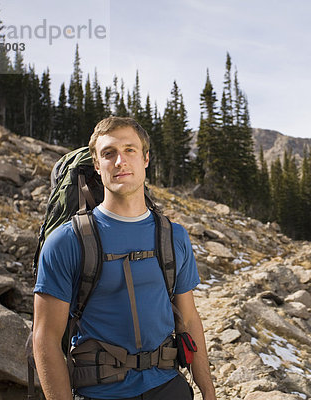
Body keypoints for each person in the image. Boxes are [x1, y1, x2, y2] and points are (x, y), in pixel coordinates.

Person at [33, 116, 216, 400]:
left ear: (145, 159)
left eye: (130, 150)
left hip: (168, 387)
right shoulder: (66, 242)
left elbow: (189, 320)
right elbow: (45, 339)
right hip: (100, 392)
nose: (120, 161)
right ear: (97, 164)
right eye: (109, 153)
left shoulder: (173, 236)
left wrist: (208, 391)